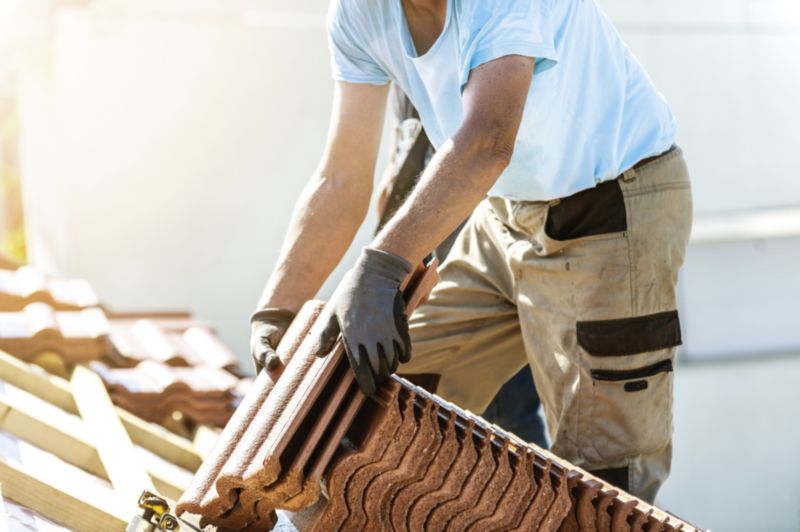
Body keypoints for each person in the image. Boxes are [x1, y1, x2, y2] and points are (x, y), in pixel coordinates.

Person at [251, 0, 692, 503]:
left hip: (610, 209)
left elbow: (488, 139)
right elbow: (341, 177)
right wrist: (278, 308)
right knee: (379, 398)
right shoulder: (360, 12)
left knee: (603, 487)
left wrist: (379, 268)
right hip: (505, 212)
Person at [376, 85, 548, 448]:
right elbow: (396, 178)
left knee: (504, 440)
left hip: (490, 289)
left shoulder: (476, 52)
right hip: (438, 292)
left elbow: (490, 149)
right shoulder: (404, 74)